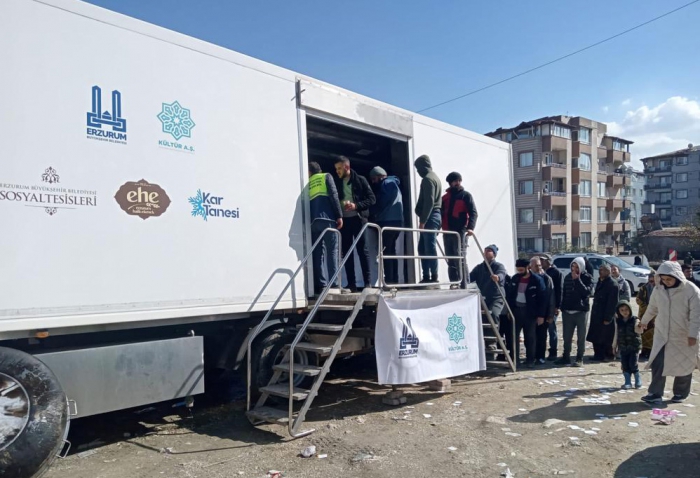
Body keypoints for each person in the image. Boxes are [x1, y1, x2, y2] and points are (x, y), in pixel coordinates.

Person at [640, 261, 700, 404]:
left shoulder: (691, 290)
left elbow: (696, 316)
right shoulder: (658, 289)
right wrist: (644, 321)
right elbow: (652, 307)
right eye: (663, 279)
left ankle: (680, 393)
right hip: (662, 334)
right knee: (658, 363)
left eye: (669, 279)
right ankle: (655, 393)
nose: (666, 282)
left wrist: (693, 335)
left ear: (677, 276)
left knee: (684, 364)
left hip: (683, 335)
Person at [333, 157, 376, 292]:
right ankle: (351, 284)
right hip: (344, 222)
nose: (337, 171)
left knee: (362, 251)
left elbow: (372, 199)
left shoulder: (360, 180)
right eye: (336, 169)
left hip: (359, 219)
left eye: (339, 168)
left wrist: (356, 205)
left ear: (347, 167)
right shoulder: (337, 183)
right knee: (347, 252)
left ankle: (367, 283)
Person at [307, 162, 344, 296]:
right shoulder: (326, 176)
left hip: (314, 222)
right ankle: (334, 284)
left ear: (309, 172)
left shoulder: (308, 183)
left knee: (318, 253)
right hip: (328, 219)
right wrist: (339, 215)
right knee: (332, 251)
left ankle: (321, 285)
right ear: (320, 170)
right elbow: (334, 195)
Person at [506, 258, 547, 368]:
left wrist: (541, 315)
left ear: (527, 267)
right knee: (514, 337)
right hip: (516, 311)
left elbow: (543, 299)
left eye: (521, 270)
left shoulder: (537, 280)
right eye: (518, 270)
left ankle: (530, 360)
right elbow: (510, 296)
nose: (519, 272)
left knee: (530, 338)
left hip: (530, 313)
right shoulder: (515, 279)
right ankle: (515, 360)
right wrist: (509, 310)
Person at [441, 171, 478, 289]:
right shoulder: (444, 198)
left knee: (460, 258)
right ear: (450, 183)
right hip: (447, 232)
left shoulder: (465, 195)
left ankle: (465, 284)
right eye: (455, 181)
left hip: (460, 232)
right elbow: (440, 214)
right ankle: (454, 283)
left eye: (459, 180)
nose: (458, 183)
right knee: (450, 259)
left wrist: (470, 228)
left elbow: (473, 212)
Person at [470, 245, 507, 358]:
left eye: (489, 251)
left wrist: (498, 277)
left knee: (493, 314)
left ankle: (492, 342)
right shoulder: (479, 267)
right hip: (484, 297)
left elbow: (502, 274)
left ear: (494, 254)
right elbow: (470, 277)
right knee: (482, 318)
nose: (486, 252)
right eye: (485, 250)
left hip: (496, 297)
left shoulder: (498, 266)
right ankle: (485, 345)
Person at [555, 258, 594, 367]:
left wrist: (577, 280)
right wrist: (561, 307)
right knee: (567, 337)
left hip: (581, 312)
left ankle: (579, 358)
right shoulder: (567, 277)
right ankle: (566, 357)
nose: (574, 269)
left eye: (577, 267)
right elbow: (564, 293)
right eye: (573, 266)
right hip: (568, 311)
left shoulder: (587, 277)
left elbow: (587, 292)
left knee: (581, 337)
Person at [368, 166, 403, 286]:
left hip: (387, 221)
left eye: (374, 179)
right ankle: (394, 280)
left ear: (380, 176)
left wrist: (371, 211)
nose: (373, 182)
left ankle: (389, 280)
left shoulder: (387, 183)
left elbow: (382, 202)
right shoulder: (394, 183)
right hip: (397, 221)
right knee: (391, 251)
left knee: (387, 252)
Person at [413, 155, 442, 284]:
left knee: (429, 248)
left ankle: (432, 276)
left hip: (430, 216)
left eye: (418, 168)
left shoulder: (428, 179)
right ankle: (427, 275)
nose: (417, 171)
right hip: (434, 215)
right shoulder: (435, 177)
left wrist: (422, 221)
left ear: (423, 167)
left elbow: (429, 202)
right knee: (423, 247)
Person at [587, 263, 620, 362]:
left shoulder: (612, 284)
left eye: (603, 270)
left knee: (606, 337)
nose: (600, 272)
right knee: (596, 336)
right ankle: (598, 354)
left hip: (605, 315)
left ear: (608, 271)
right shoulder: (600, 282)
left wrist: (608, 318)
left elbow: (612, 303)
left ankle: (607, 355)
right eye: (600, 270)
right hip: (597, 314)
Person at [613, 301, 642, 389]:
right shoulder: (618, 322)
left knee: (633, 364)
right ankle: (627, 382)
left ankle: (638, 379)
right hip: (623, 347)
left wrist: (639, 326)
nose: (624, 312)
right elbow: (616, 334)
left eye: (626, 309)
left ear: (630, 309)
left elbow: (639, 331)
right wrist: (614, 346)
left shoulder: (635, 320)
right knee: (625, 365)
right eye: (622, 310)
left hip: (634, 347)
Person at [531, 257, 554, 365]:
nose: (538, 267)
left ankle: (540, 357)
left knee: (541, 336)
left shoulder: (546, 278)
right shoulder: (529, 277)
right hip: (531, 313)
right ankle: (531, 356)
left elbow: (551, 297)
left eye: (540, 265)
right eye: (536, 266)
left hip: (543, 313)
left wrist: (550, 314)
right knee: (531, 336)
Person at [541, 254, 563, 361]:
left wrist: (557, 306)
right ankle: (541, 352)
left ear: (548, 261)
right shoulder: (541, 272)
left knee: (551, 329)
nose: (541, 262)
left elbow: (559, 290)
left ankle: (553, 351)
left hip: (552, 306)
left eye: (543, 260)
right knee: (542, 330)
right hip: (543, 306)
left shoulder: (556, 273)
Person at [637, 270, 656, 360]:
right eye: (650, 280)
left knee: (653, 334)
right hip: (644, 313)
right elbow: (638, 299)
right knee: (643, 332)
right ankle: (644, 351)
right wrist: (647, 307)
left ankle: (651, 352)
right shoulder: (643, 288)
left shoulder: (660, 288)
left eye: (653, 280)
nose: (651, 282)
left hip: (655, 315)